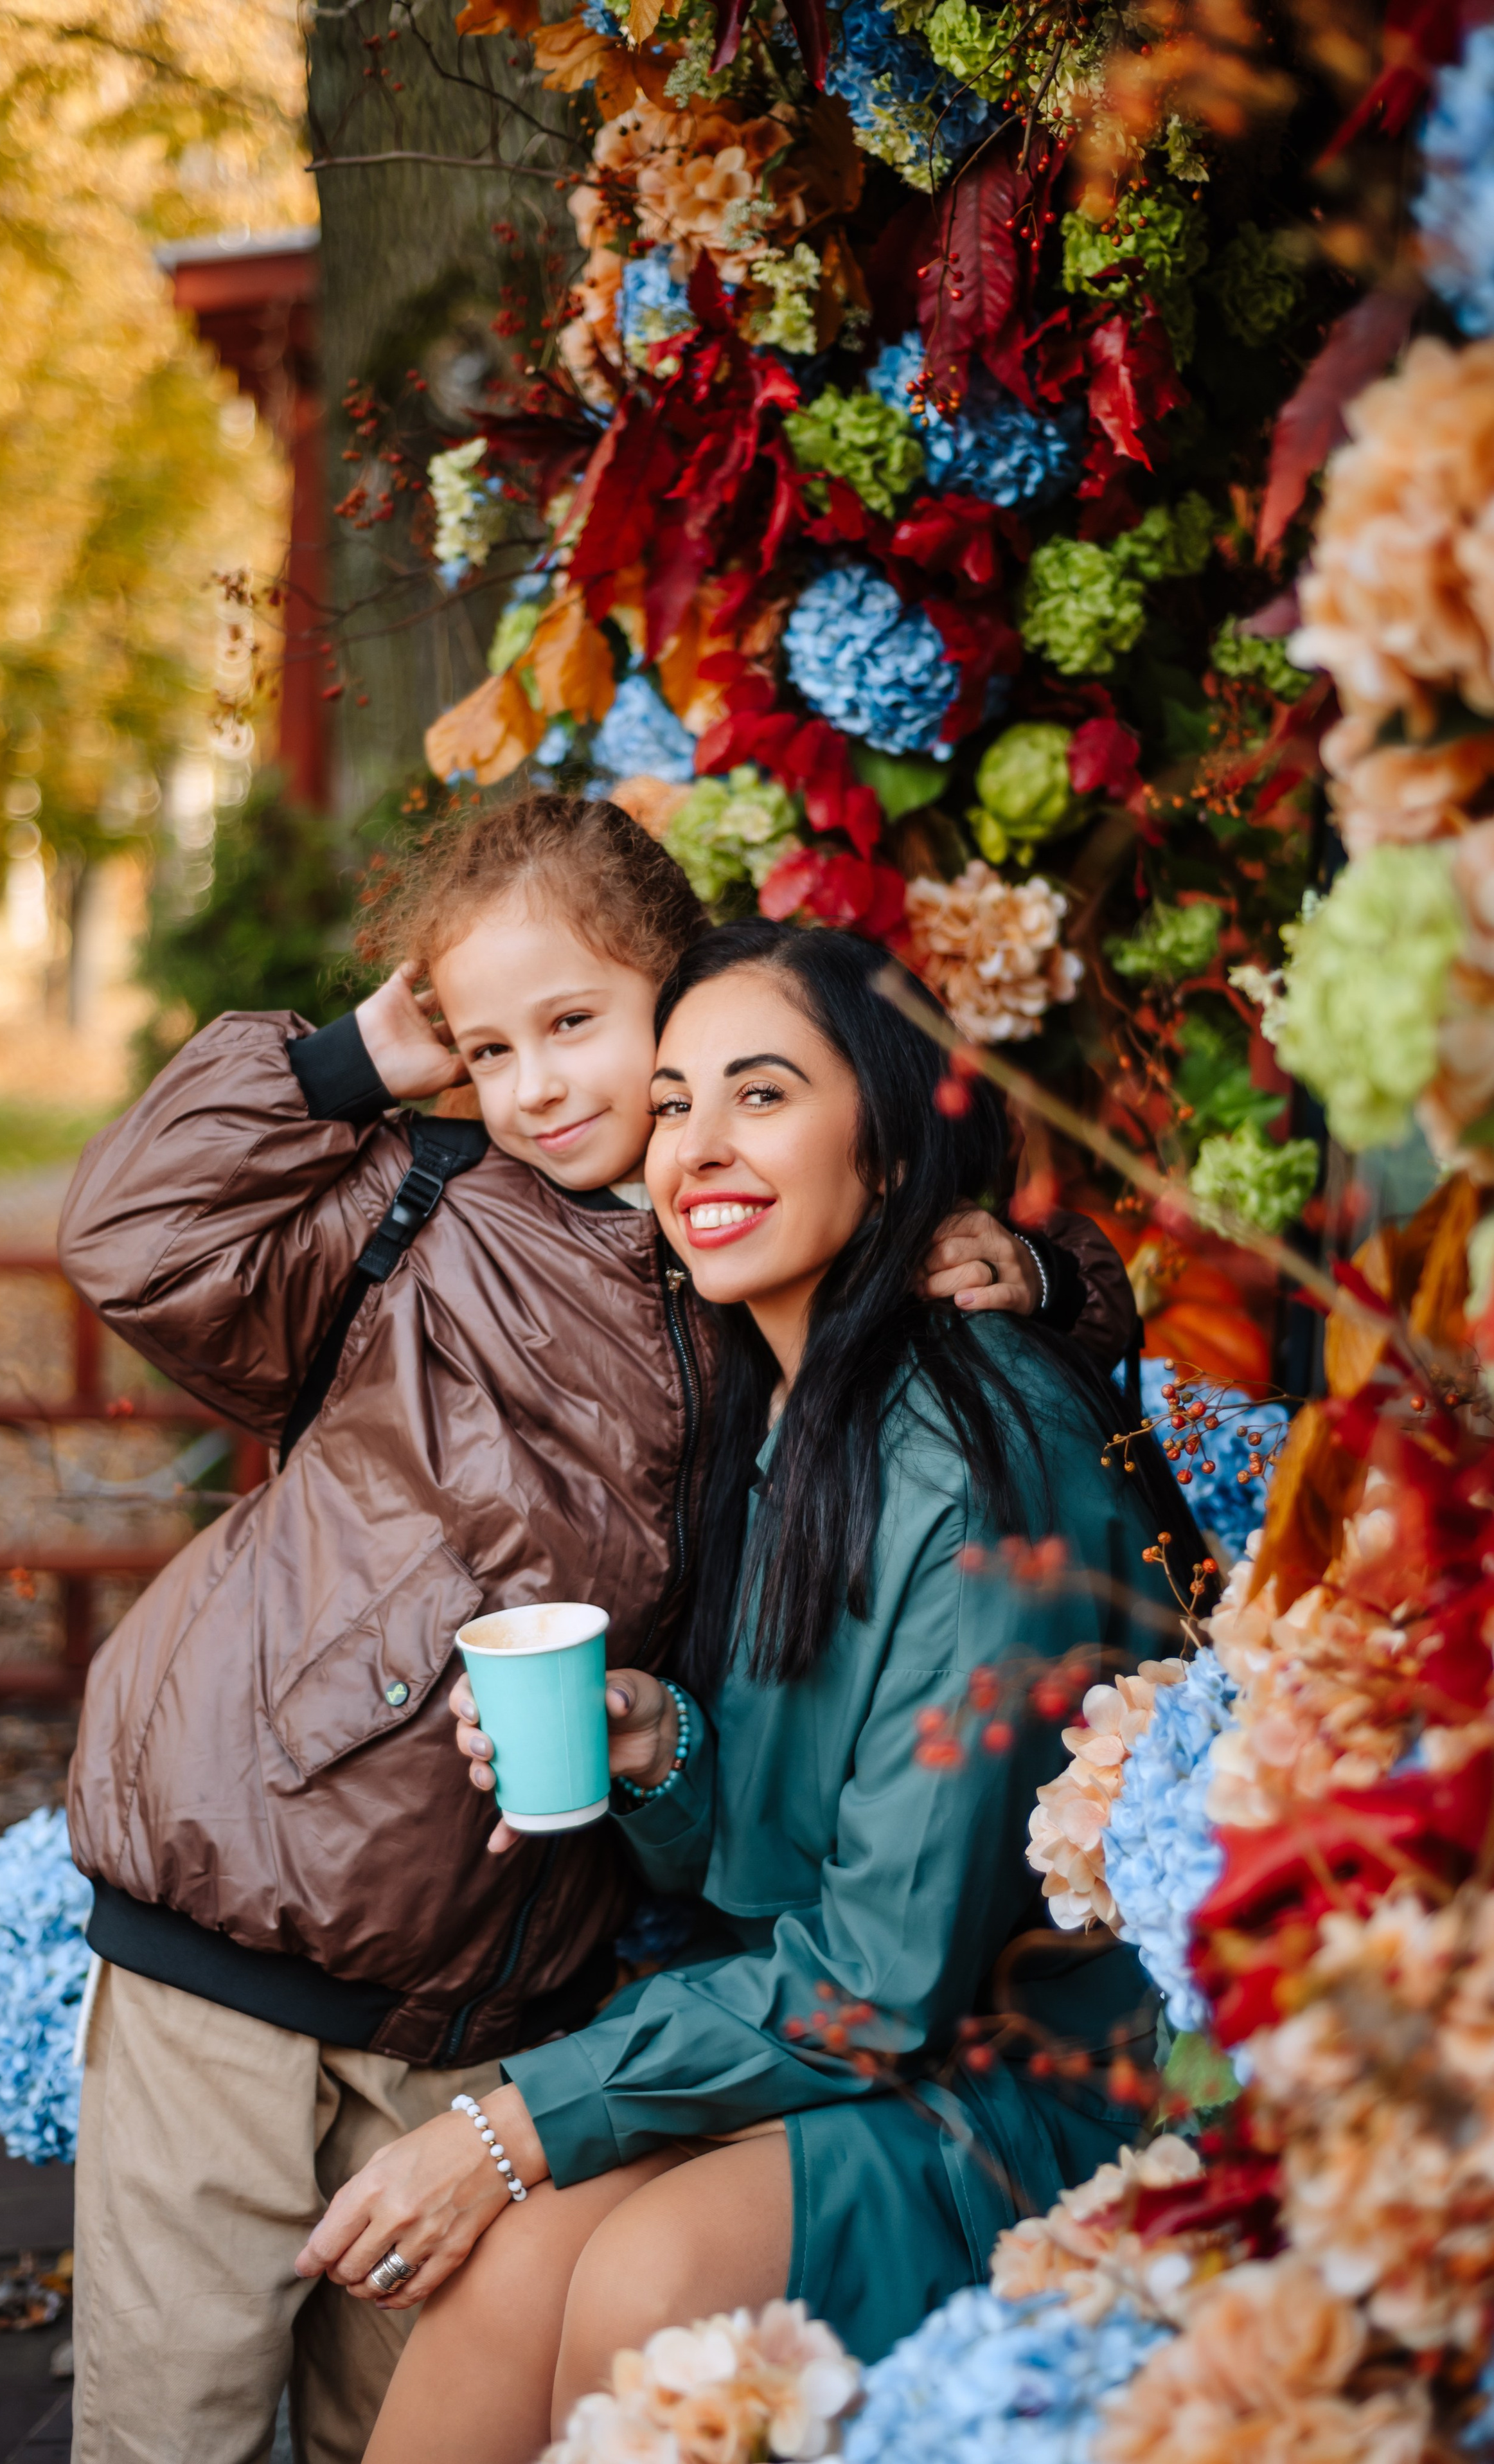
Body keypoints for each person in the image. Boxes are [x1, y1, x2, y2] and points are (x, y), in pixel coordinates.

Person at [57, 798, 1137, 2464]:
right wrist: (365, 1054)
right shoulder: (442, 1216)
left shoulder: (820, 1369)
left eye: (584, 1030)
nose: (557, 1088)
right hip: (254, 1868)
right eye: (495, 1047)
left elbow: (869, 1919)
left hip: (520, 1980)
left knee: (452, 2328)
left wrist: (1045, 1277)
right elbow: (133, 1232)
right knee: (195, 2398)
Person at [294, 922, 1202, 2464]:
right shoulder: (791, 1406)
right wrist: (660, 1747)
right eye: (667, 1104)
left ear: (891, 1134)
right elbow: (781, 1863)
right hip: (867, 2038)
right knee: (513, 2265)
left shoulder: (974, 1449)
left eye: (760, 1096)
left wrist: (505, 2123)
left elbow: (881, 1972)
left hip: (1027, 2082)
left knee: (648, 2275)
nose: (694, 1147)